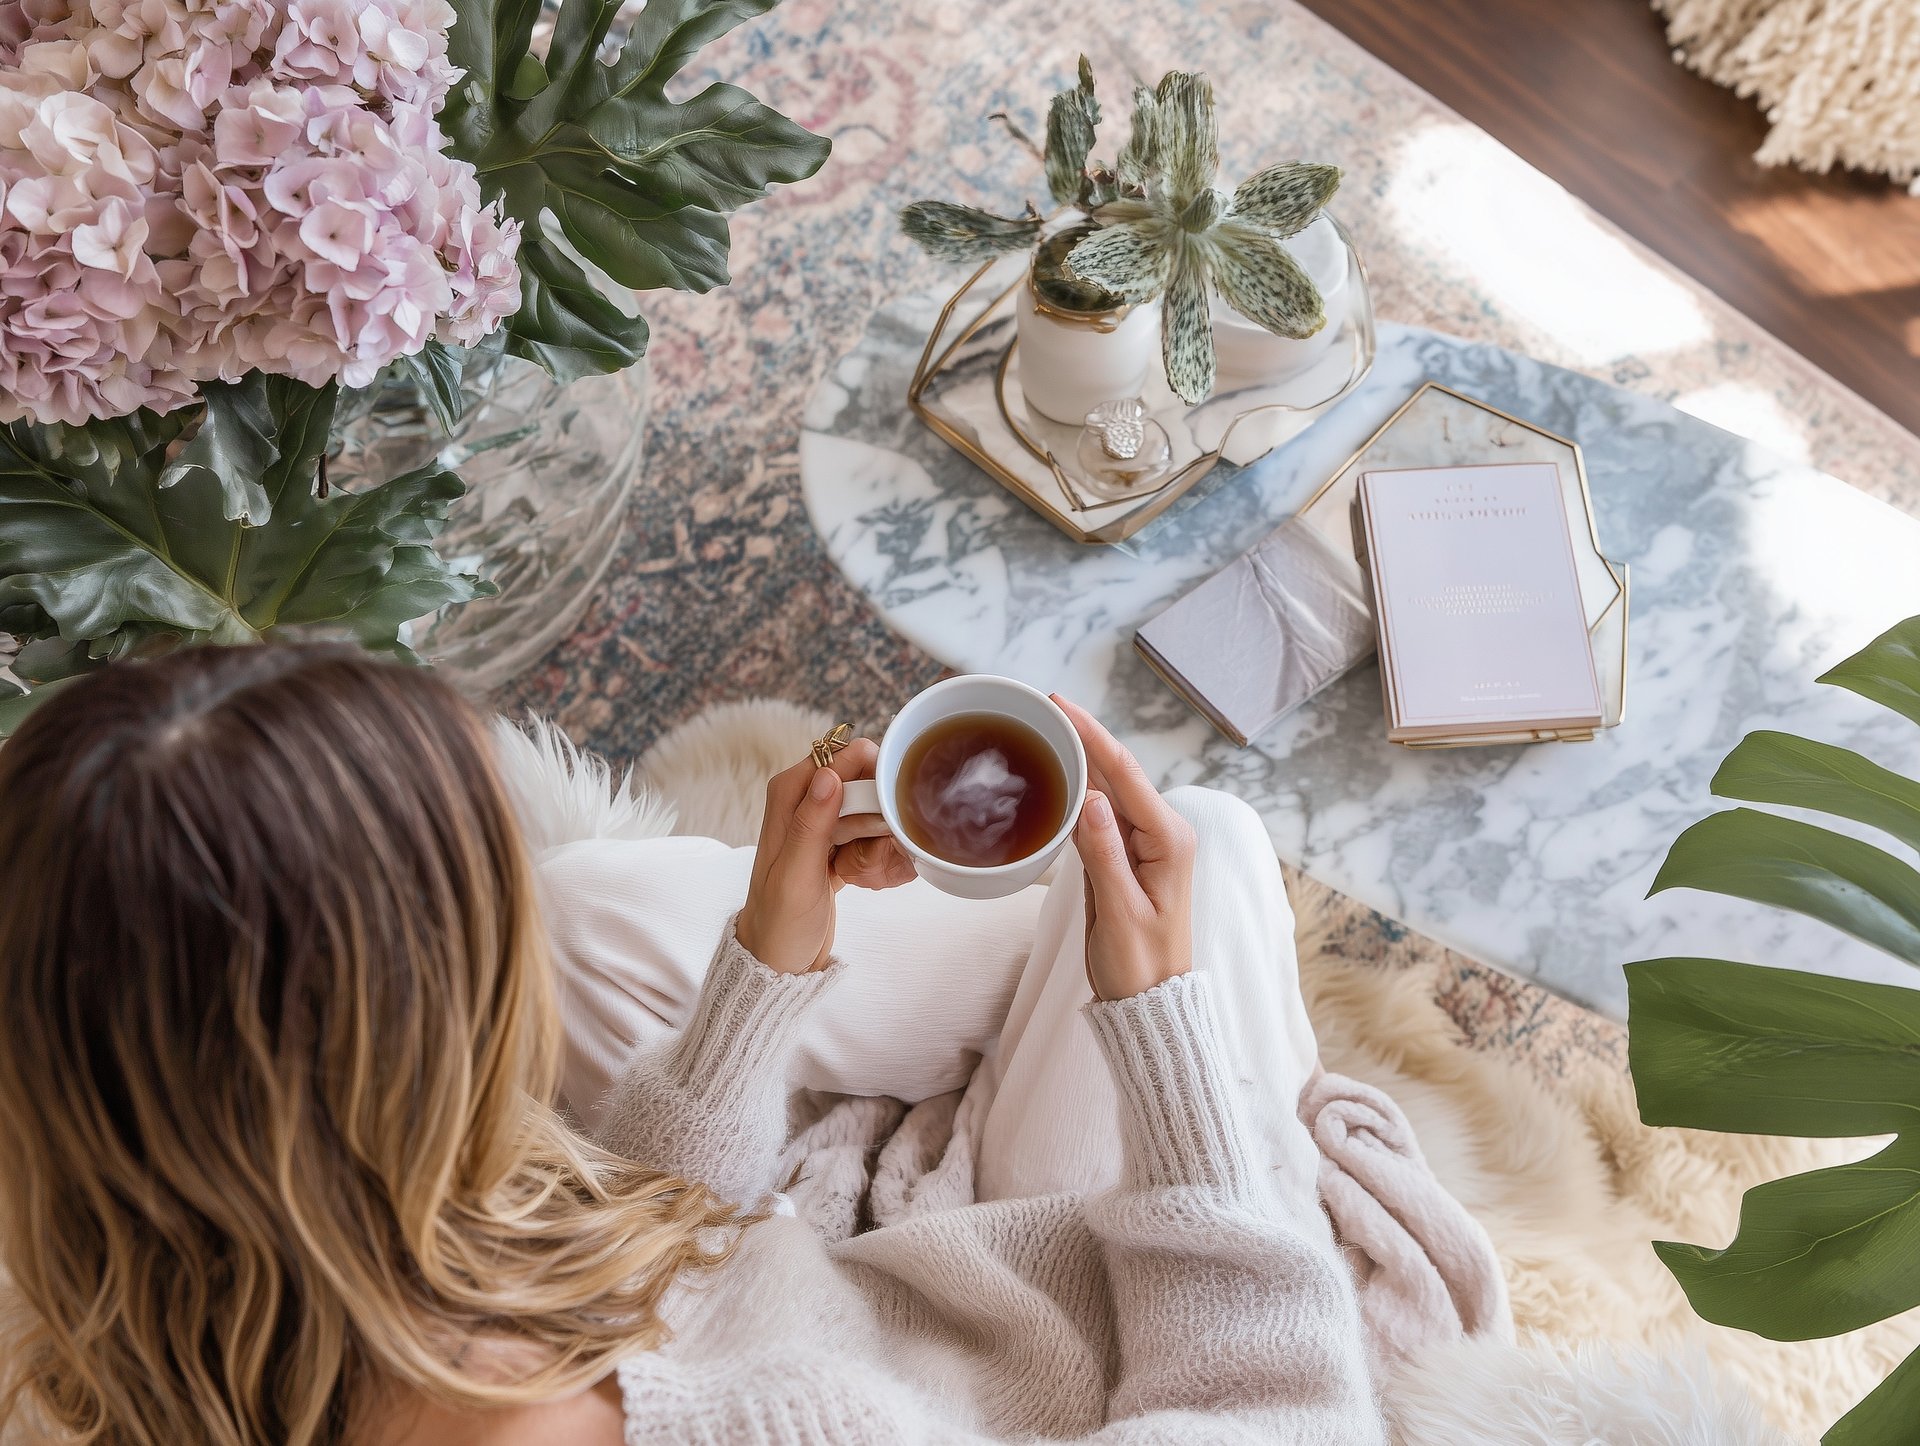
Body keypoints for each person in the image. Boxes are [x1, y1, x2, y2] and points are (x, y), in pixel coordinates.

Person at [0, 645, 1382, 1445]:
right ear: (427, 1037)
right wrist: (1164, 1038)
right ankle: (1104, 993)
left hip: (799, 1261)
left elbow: (630, 1272)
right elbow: (1277, 1409)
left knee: (598, 902)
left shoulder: (208, 1293)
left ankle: (1033, 978)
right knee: (1205, 844)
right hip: (1062, 1345)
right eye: (492, 908)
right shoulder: (769, 1426)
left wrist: (764, 972)